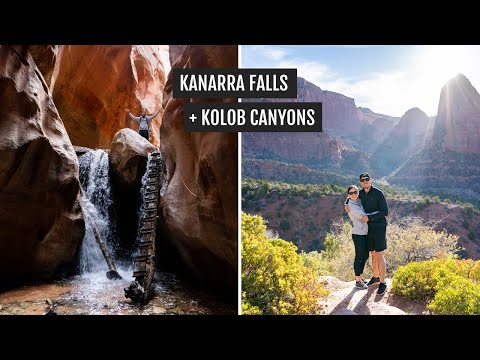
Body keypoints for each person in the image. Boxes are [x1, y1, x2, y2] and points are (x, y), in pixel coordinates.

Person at [347, 173, 389, 296]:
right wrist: (346, 204)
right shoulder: (359, 194)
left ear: (371, 180)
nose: (365, 182)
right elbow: (351, 197)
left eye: (367, 179)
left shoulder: (378, 193)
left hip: (379, 227)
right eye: (362, 180)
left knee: (380, 254)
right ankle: (375, 277)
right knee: (373, 253)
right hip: (368, 229)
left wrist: (369, 217)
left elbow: (385, 211)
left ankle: (382, 282)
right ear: (360, 182)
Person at [344, 185, 378, 289]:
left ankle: (361, 277)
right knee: (359, 256)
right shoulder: (351, 206)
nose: (354, 194)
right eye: (351, 193)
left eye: (355, 192)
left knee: (365, 256)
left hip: (364, 233)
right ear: (348, 195)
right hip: (358, 234)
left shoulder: (358, 201)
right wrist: (378, 214)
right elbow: (364, 217)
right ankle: (358, 281)